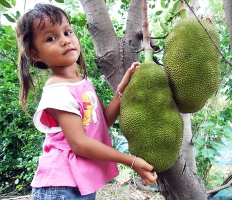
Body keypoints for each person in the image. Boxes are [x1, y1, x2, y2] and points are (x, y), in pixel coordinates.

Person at [16, 3, 157, 199]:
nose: (65, 41)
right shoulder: (58, 90)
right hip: (60, 187)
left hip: (78, 185)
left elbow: (101, 122)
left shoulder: (83, 82)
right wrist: (130, 161)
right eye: (51, 38)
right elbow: (80, 144)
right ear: (35, 54)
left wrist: (122, 88)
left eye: (67, 32)